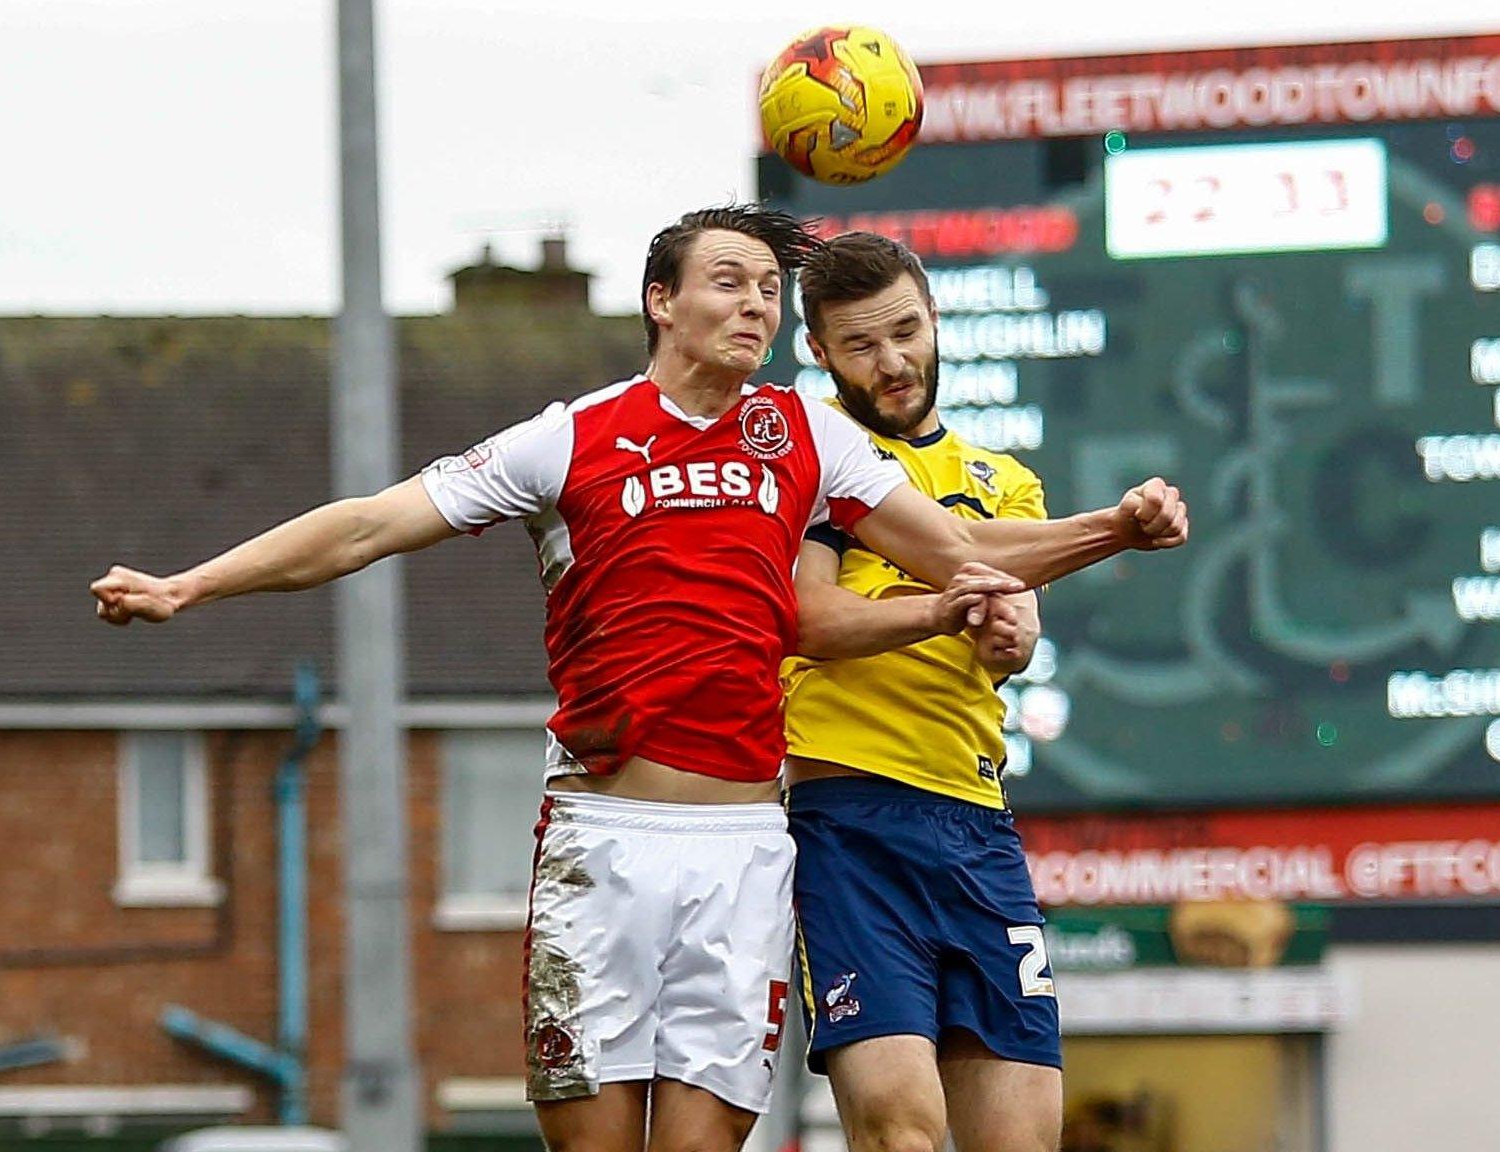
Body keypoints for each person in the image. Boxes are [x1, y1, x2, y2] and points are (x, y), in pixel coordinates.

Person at [91, 205, 1188, 1152]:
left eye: (768, 289)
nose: (754, 305)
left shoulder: (806, 436)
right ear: (660, 300)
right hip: (599, 841)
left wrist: (1113, 530)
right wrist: (192, 585)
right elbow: (372, 523)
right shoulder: (569, 440)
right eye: (728, 282)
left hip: (744, 854)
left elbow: (963, 556)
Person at [785, 231, 1151, 1152]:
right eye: (861, 345)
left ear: (936, 318)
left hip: (977, 825)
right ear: (820, 354)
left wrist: (1012, 629)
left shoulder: (1007, 482)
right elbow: (809, 620)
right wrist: (946, 605)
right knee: (901, 1130)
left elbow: (1008, 643)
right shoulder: (807, 456)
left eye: (906, 331)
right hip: (848, 822)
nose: (894, 361)